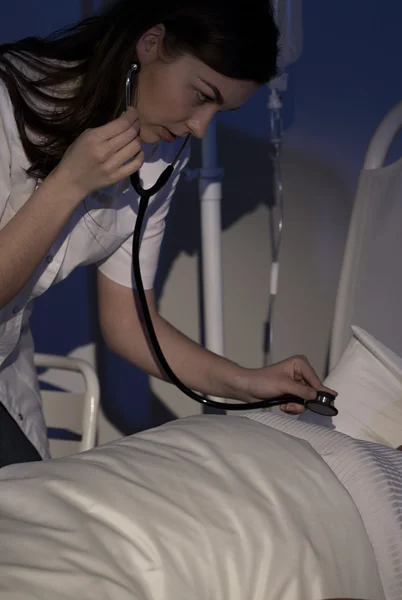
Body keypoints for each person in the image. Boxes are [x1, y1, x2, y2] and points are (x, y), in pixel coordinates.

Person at [0, 0, 336, 468]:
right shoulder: (7, 100)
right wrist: (68, 185)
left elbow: (128, 322)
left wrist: (248, 382)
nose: (200, 129)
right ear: (151, 43)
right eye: (202, 95)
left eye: (221, 110)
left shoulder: (157, 152)